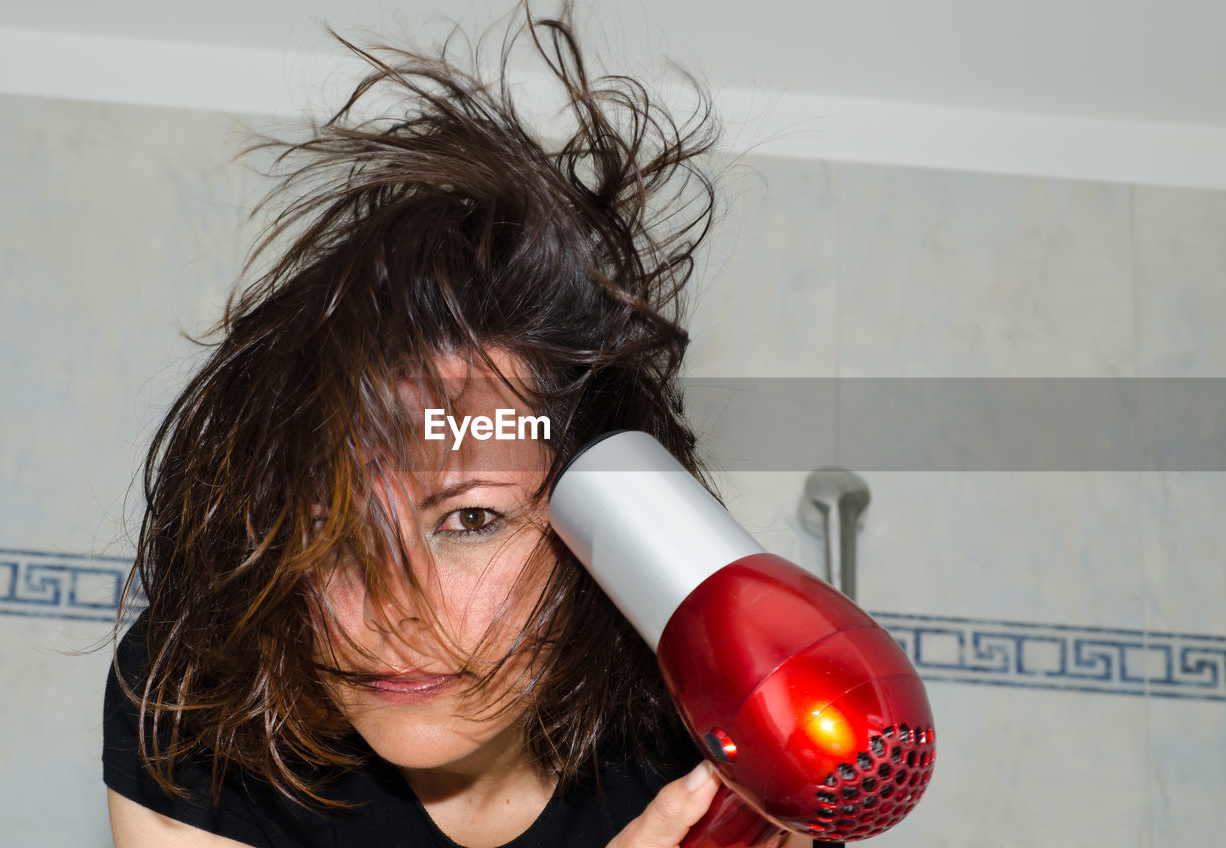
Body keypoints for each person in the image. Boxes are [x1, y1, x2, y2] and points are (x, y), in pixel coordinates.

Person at [103, 5, 814, 847]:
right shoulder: (201, 696)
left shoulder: (720, 719)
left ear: (607, 527)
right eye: (329, 528)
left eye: (470, 518)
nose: (391, 613)